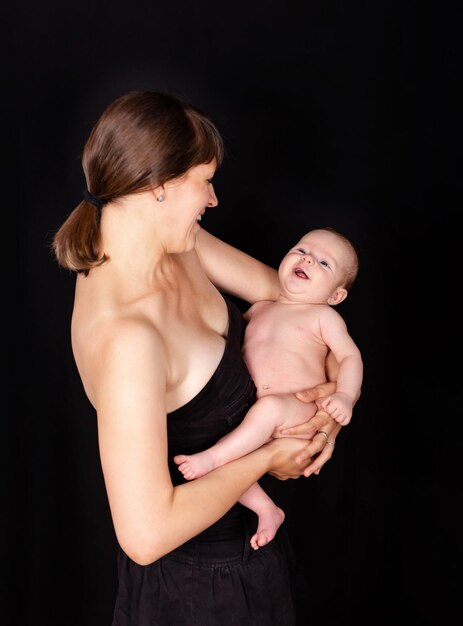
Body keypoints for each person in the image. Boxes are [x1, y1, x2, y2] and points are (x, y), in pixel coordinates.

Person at [52, 90, 346, 626]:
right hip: (193, 596)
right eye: (205, 181)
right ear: (159, 187)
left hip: (250, 562)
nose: (212, 200)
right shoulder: (127, 337)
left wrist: (330, 396)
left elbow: (287, 300)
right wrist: (266, 459)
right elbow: (144, 536)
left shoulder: (182, 244)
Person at [175, 227, 363, 549]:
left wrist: (345, 395)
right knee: (233, 442)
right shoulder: (260, 308)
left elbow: (350, 356)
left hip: (294, 410)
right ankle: (267, 509)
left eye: (323, 263)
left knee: (263, 415)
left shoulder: (323, 316)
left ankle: (212, 459)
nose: (307, 259)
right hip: (254, 415)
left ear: (336, 296)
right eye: (302, 249)